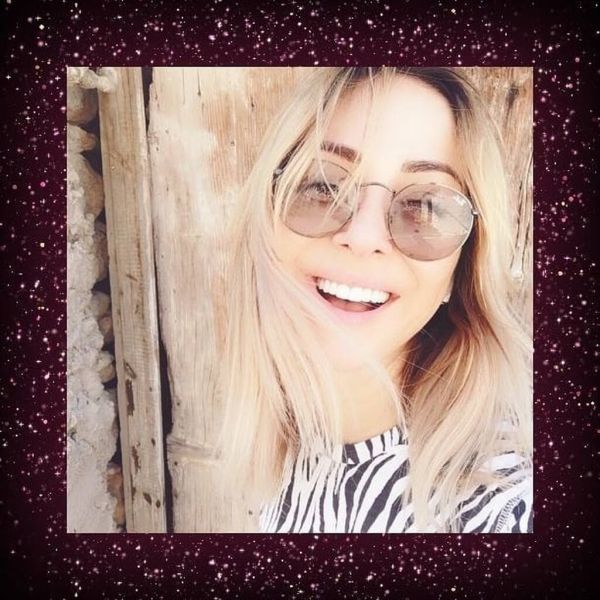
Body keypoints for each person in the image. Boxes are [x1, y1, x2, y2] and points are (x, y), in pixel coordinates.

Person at [218, 67, 532, 533]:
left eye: (425, 205)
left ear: (461, 269)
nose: (363, 237)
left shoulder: (502, 506)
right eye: (324, 186)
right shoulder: (298, 441)